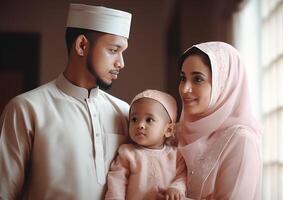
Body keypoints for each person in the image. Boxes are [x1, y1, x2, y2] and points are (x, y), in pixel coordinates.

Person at [0, 4, 132, 199]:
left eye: (122, 52)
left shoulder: (126, 113)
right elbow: (0, 194)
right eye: (114, 50)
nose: (121, 63)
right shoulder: (26, 109)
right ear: (82, 45)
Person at [177, 42, 262, 199]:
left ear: (223, 84)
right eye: (183, 78)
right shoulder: (178, 131)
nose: (185, 89)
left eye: (197, 79)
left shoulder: (241, 141)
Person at [105, 89, 187, 200]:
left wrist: (176, 188)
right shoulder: (127, 153)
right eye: (134, 119)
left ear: (168, 130)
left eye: (149, 120)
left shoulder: (176, 155)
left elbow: (182, 176)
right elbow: (117, 181)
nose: (140, 125)